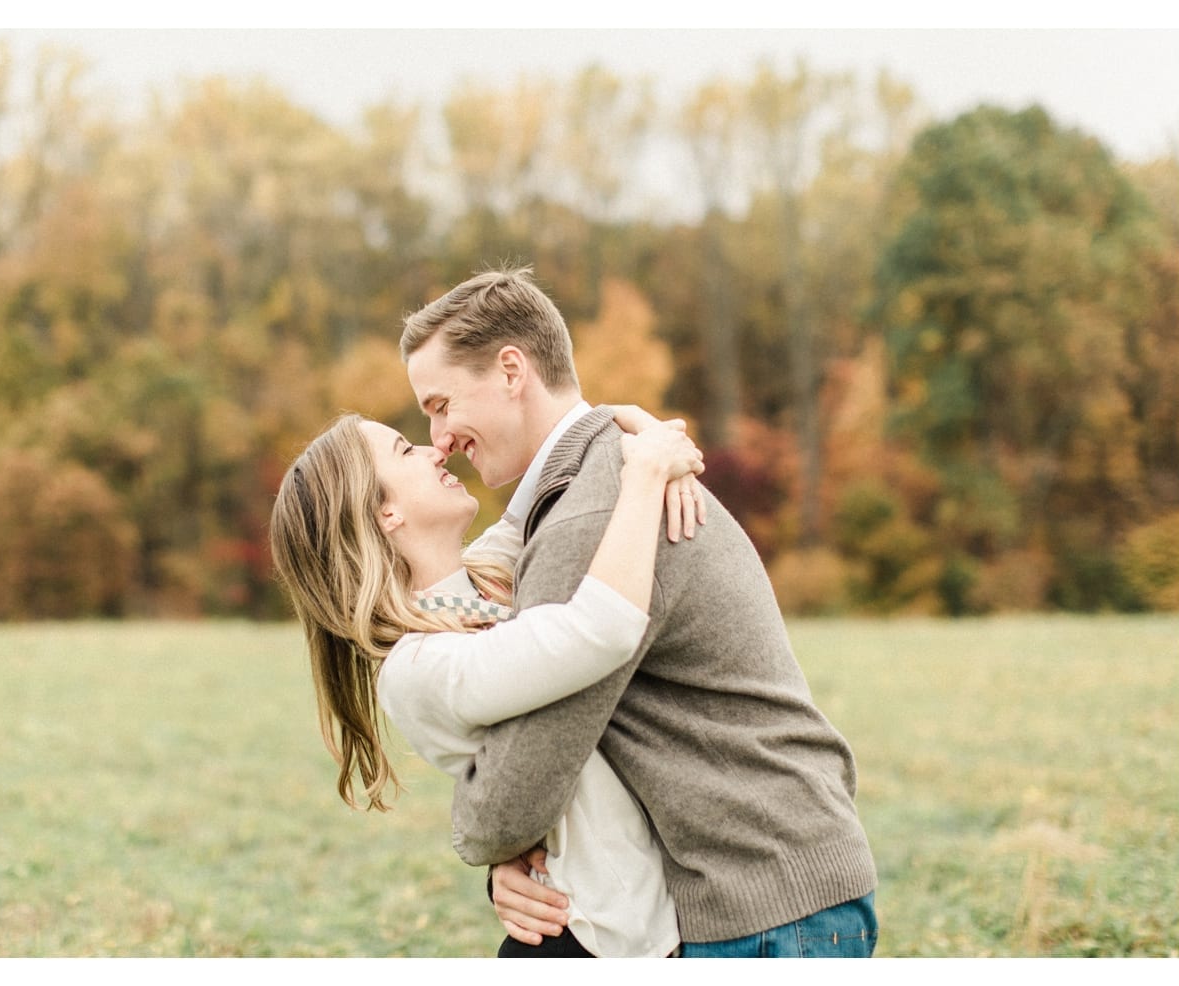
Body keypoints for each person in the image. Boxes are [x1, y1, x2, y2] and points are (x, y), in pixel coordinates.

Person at [399, 265, 879, 958]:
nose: (439, 437)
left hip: (765, 907)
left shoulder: (591, 512)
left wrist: (493, 847)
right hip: (776, 884)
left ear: (512, 370)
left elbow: (522, 783)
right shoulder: (599, 479)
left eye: (441, 404)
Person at [268, 406, 708, 956]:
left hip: (643, 924)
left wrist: (619, 416)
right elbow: (600, 630)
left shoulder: (482, 579)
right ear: (384, 514)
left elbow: (548, 459)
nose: (436, 448)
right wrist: (645, 474)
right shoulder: (416, 668)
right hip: (587, 941)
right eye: (407, 450)